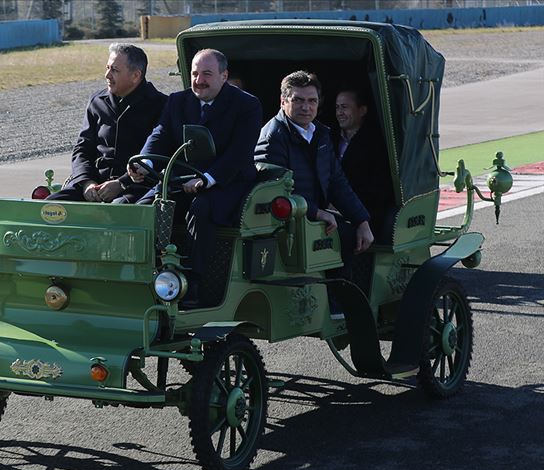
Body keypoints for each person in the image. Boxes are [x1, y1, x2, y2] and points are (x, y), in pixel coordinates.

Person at [131, 48, 263, 305]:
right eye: (194, 74)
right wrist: (144, 162)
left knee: (202, 209)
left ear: (224, 76)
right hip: (183, 179)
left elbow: (239, 153)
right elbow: (160, 134)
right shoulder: (178, 101)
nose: (199, 80)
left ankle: (191, 283)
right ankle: (145, 275)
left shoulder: (247, 105)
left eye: (207, 74)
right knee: (145, 208)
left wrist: (208, 179)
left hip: (227, 182)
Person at [254, 71, 374, 259]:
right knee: (346, 238)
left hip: (311, 216)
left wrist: (362, 221)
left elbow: (336, 181)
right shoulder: (273, 137)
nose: (306, 107)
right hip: (285, 223)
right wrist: (318, 213)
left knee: (357, 236)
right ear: (283, 101)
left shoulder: (320, 134)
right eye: (298, 100)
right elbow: (274, 191)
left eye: (312, 101)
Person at [47, 43, 167, 203]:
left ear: (135, 75)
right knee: (49, 207)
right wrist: (86, 182)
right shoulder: (97, 102)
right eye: (107, 68)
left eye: (115, 70)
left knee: (117, 210)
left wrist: (122, 183)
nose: (107, 75)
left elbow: (159, 155)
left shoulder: (161, 105)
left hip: (136, 188)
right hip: (94, 185)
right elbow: (82, 149)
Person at [333, 88, 395, 239]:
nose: (339, 112)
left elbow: (379, 189)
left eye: (345, 107)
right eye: (337, 107)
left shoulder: (376, 144)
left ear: (362, 111)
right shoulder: (329, 138)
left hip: (365, 212)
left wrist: (344, 206)